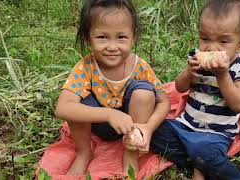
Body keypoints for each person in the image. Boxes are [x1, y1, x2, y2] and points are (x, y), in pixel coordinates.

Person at [54, 0, 170, 175]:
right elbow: (62, 108)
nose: (112, 47)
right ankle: (84, 152)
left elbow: (164, 102)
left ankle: (131, 152)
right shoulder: (86, 67)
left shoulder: (140, 66)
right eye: (102, 37)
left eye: (121, 37)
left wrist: (148, 127)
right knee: (76, 103)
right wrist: (109, 114)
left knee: (145, 92)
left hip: (132, 124)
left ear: (134, 37)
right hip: (98, 123)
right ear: (88, 38)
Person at [151, 0, 240, 179]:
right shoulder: (195, 57)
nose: (211, 47)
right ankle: (200, 163)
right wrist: (188, 73)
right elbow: (179, 88)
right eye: (205, 38)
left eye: (223, 41)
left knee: (205, 152)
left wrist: (222, 75)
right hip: (185, 125)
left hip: (215, 134)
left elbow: (238, 104)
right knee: (154, 130)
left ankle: (230, 172)